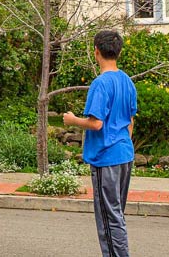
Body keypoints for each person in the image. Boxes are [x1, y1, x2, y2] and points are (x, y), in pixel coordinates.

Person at [63, 30, 137, 257]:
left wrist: (72, 120)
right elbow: (131, 121)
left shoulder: (101, 83)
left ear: (96, 51)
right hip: (125, 155)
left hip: (106, 159)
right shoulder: (126, 80)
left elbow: (96, 124)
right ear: (119, 51)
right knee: (117, 214)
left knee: (108, 218)